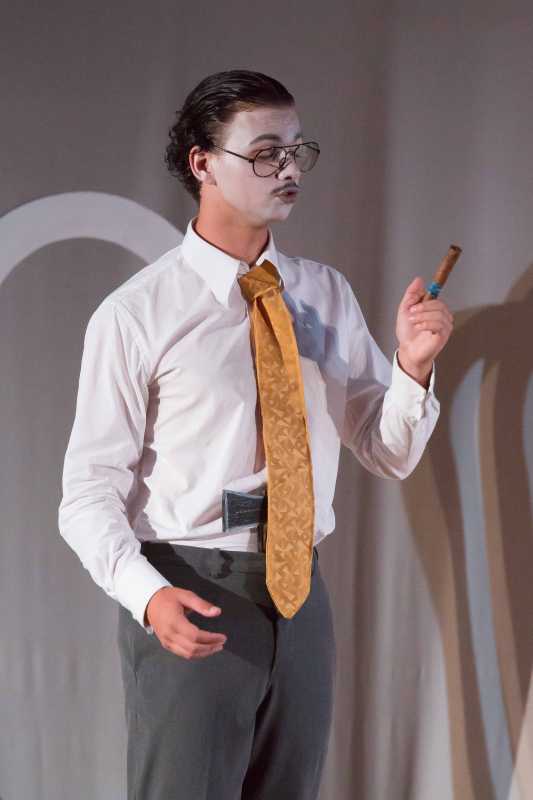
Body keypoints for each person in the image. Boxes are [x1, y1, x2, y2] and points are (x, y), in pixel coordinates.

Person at [58, 69, 453, 800]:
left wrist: (412, 367)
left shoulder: (323, 292)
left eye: (298, 151)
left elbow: (388, 451)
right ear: (202, 162)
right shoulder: (138, 313)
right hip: (193, 583)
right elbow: (86, 493)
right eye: (266, 152)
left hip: (302, 590)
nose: (289, 169)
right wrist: (148, 596)